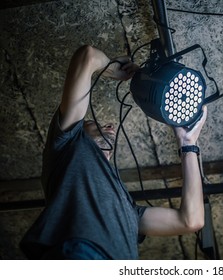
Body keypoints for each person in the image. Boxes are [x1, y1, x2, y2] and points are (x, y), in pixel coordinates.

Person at [20, 45, 208, 260]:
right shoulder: (67, 145)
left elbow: (191, 220)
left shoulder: (128, 211)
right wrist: (110, 68)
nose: (110, 125)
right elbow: (87, 56)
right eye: (92, 122)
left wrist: (187, 143)